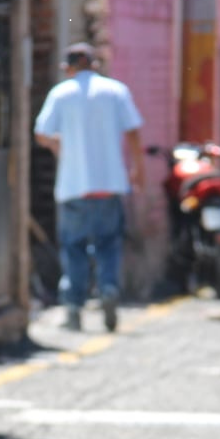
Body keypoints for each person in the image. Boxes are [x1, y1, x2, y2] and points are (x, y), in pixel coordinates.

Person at [34, 42, 145, 332]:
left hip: (74, 185)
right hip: (110, 184)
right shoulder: (116, 91)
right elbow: (133, 131)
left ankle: (73, 308)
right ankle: (108, 289)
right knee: (109, 244)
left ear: (69, 68)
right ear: (94, 64)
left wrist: (59, 143)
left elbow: (41, 133)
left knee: (74, 248)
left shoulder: (61, 93)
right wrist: (138, 169)